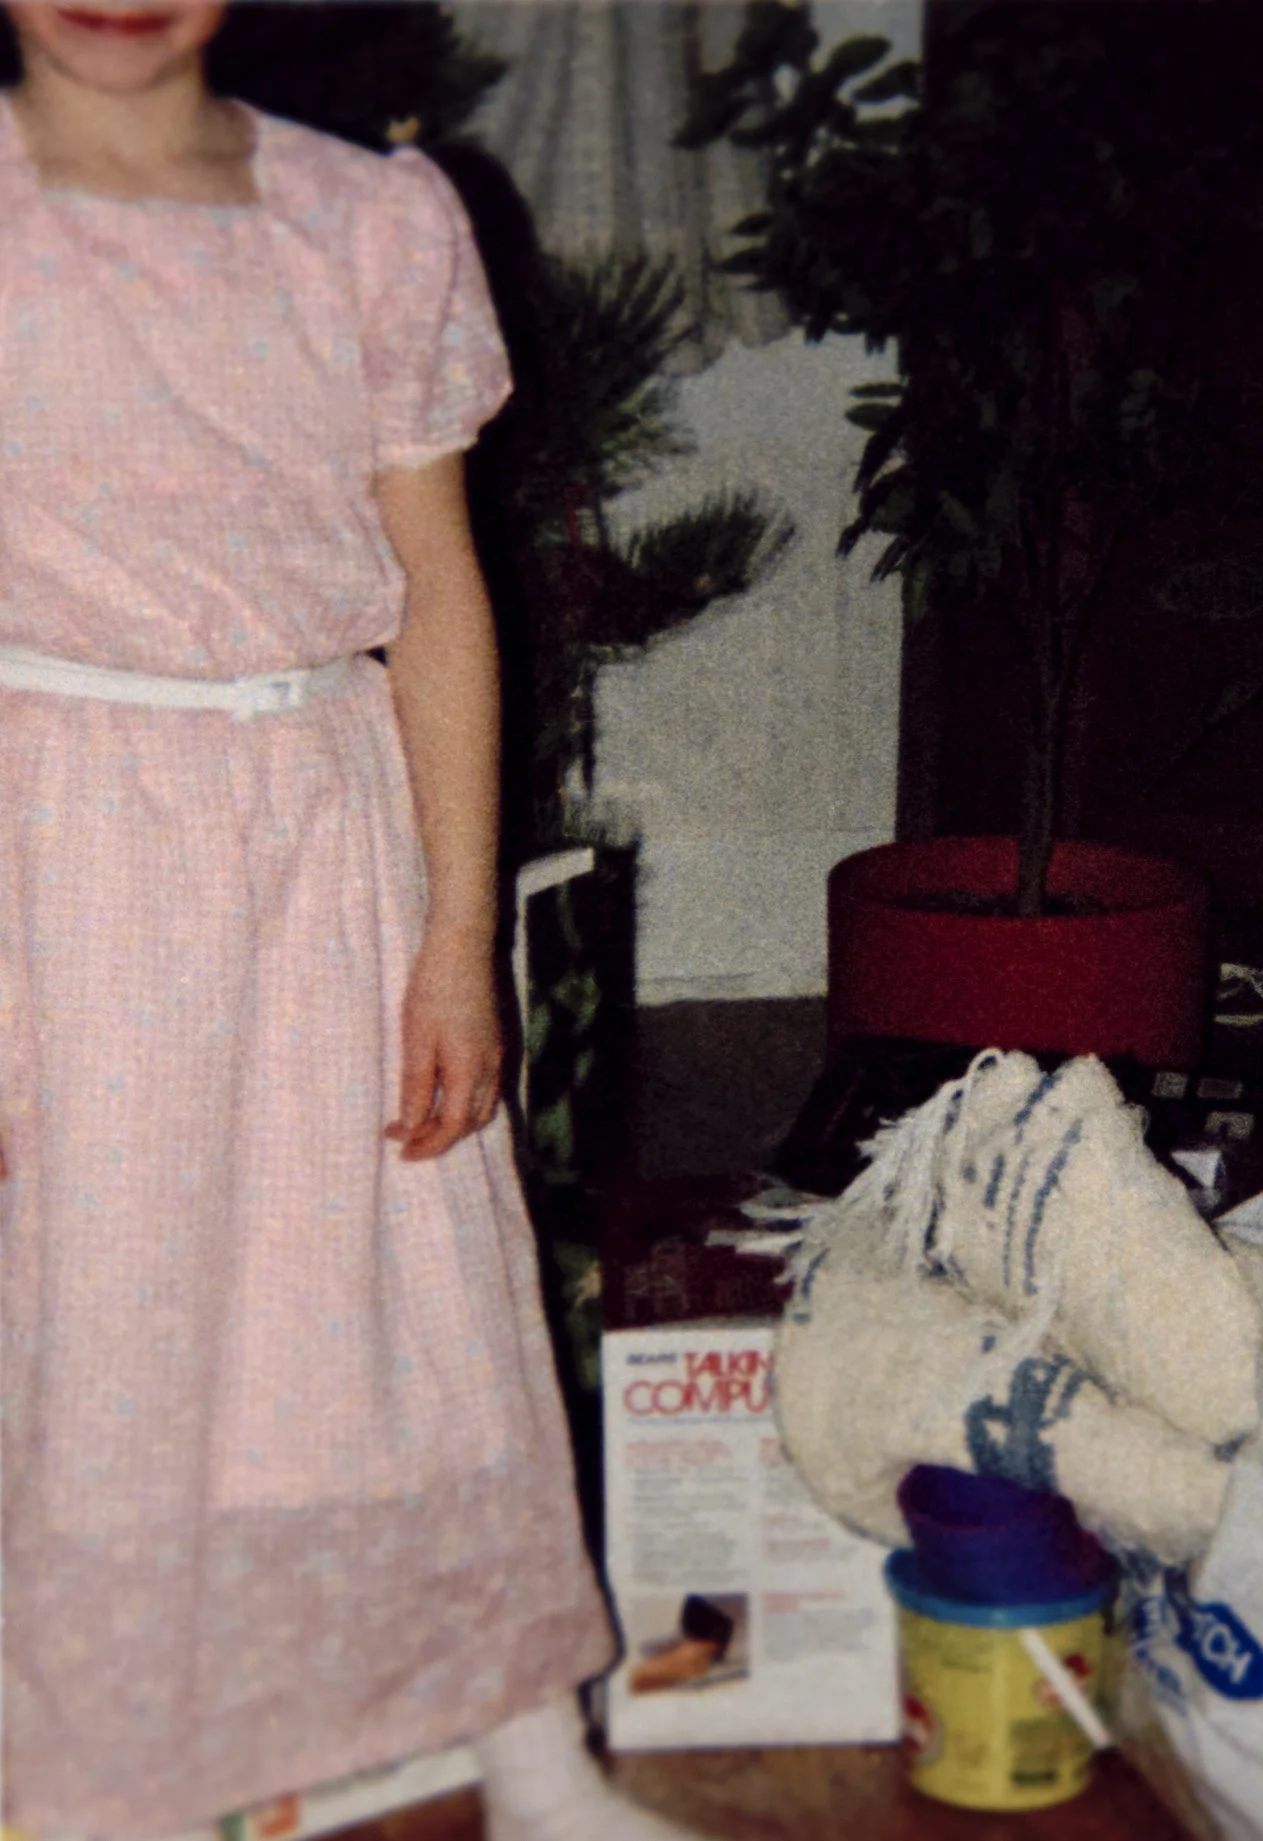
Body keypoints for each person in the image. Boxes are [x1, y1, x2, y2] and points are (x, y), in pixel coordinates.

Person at [0, 8, 690, 1837]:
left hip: (323, 822)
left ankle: (528, 1756)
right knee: (106, 1313)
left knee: (400, 1291)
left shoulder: (371, 219)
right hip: (55, 838)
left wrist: (457, 935)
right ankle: (103, 1777)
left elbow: (440, 592)